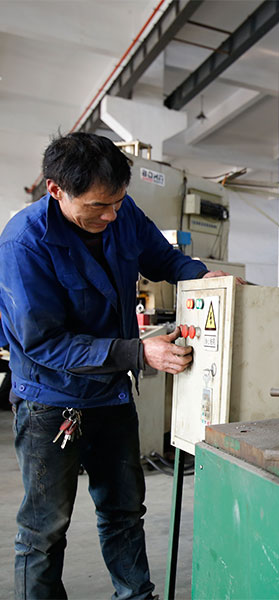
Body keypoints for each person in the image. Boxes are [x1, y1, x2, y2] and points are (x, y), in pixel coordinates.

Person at [0, 133, 230, 599]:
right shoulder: (23, 244)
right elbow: (44, 342)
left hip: (110, 395)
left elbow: (164, 259)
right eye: (98, 206)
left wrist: (206, 277)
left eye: (118, 202)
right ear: (56, 190)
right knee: (44, 529)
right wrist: (138, 353)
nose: (110, 216)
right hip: (50, 403)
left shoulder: (122, 214)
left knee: (124, 511)